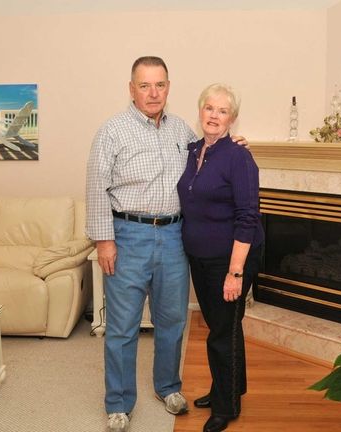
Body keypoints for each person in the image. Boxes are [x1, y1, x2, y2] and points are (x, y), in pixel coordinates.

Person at [85, 56, 197, 432]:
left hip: (173, 236)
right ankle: (118, 402)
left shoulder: (181, 130)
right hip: (127, 236)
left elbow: (208, 165)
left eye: (160, 84)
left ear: (169, 87)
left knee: (173, 320)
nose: (153, 92)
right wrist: (104, 242)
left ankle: (167, 387)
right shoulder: (112, 132)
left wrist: (233, 144)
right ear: (131, 89)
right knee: (121, 327)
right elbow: (96, 189)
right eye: (145, 85)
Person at [177, 83, 264, 432]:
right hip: (201, 255)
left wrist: (236, 272)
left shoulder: (239, 157)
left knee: (221, 332)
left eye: (222, 110)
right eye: (209, 108)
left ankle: (226, 407)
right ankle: (228, 388)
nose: (214, 115)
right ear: (200, 112)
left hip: (231, 258)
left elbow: (248, 216)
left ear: (233, 118)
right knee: (223, 327)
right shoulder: (193, 149)